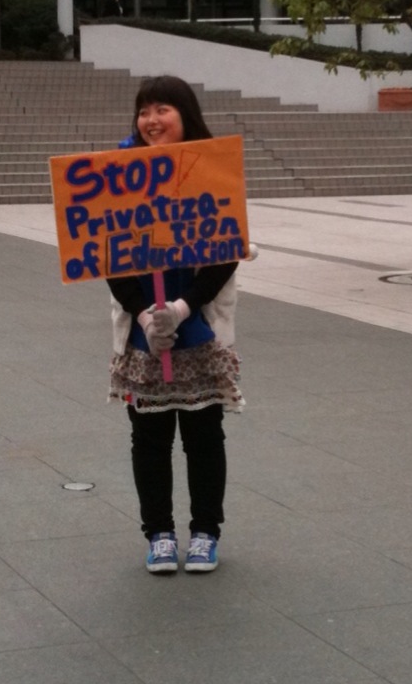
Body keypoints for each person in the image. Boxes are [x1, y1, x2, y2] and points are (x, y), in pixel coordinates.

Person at [107, 75, 245, 575]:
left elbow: (226, 249)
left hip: (198, 322)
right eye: (144, 110)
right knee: (149, 439)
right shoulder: (116, 174)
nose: (151, 120)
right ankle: (159, 534)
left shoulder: (214, 168)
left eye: (162, 109)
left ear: (186, 114)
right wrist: (144, 312)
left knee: (204, 435)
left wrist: (184, 307)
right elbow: (106, 251)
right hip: (143, 332)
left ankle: (206, 531)